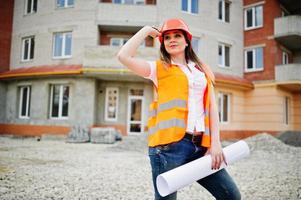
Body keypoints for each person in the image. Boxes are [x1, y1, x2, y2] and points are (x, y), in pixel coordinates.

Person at [117, 18, 241, 200]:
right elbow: (123, 56)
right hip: (168, 149)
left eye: (177, 35)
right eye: (167, 37)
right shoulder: (157, 69)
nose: (172, 40)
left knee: (231, 196)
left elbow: (212, 108)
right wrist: (145, 31)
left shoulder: (202, 70)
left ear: (187, 40)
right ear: (163, 43)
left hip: (201, 146)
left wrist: (215, 142)